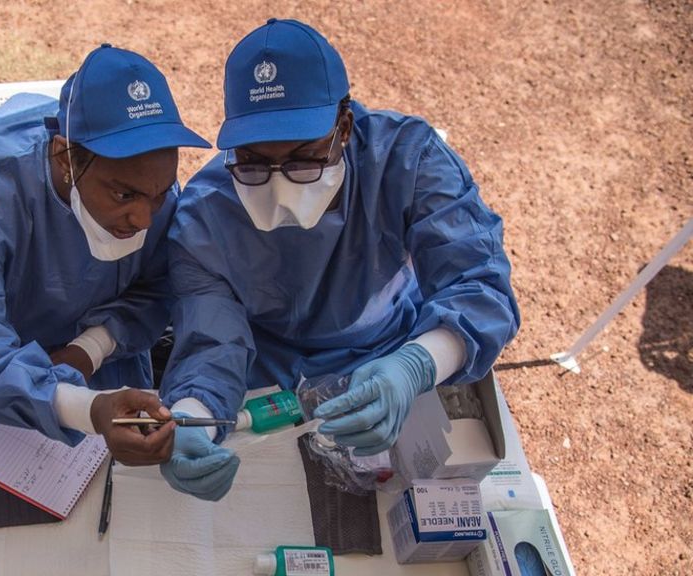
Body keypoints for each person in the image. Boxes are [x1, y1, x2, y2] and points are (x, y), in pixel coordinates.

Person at [159, 19, 520, 500]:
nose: (280, 188)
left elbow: (480, 288)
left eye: (304, 159)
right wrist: (194, 421)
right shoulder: (206, 217)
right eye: (252, 162)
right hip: (270, 367)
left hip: (390, 350)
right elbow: (212, 340)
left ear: (344, 127)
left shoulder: (408, 162)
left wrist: (415, 365)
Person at [0, 44, 211, 466]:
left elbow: (155, 286)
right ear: (63, 157)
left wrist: (88, 349)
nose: (145, 218)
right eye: (123, 194)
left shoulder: (147, 184)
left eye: (160, 194)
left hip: (85, 344)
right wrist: (85, 408)